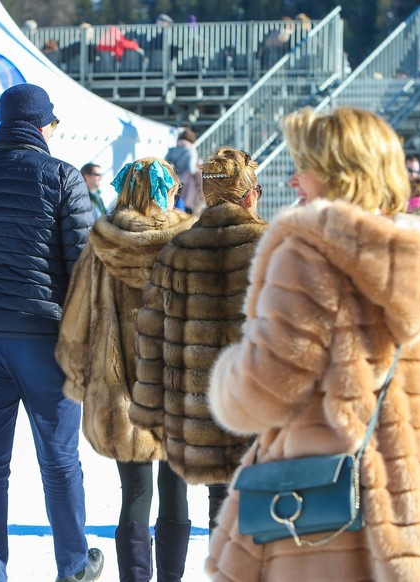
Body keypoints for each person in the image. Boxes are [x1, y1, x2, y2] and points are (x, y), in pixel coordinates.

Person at [206, 107, 420, 581]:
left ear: (338, 173)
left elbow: (261, 393)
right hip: (410, 518)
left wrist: (228, 373)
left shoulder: (307, 255)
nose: (293, 182)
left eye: (303, 167)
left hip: (314, 515)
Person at [0, 83, 102, 582]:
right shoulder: (63, 177)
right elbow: (84, 269)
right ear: (43, 126)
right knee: (59, 458)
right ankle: (73, 563)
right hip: (43, 334)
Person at [56, 157, 195, 582]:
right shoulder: (187, 242)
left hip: (121, 395)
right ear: (165, 191)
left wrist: (78, 378)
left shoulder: (102, 243)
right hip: (177, 389)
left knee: (134, 491)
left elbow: (76, 321)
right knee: (176, 490)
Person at [132, 146, 267, 535]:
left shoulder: (179, 247)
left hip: (199, 401)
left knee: (220, 504)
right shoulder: (270, 244)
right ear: (248, 195)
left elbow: (153, 328)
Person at [164, 128, 202, 213]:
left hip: (171, 180)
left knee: (172, 203)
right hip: (185, 183)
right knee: (182, 205)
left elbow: (165, 163)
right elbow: (191, 169)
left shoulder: (172, 149)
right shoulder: (191, 150)